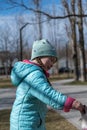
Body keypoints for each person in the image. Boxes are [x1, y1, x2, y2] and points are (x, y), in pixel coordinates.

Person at [10, 39, 85, 130]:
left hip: (32, 123)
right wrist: (73, 103)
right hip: (25, 125)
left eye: (54, 61)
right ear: (39, 56)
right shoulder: (34, 75)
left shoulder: (34, 72)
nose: (52, 64)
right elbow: (49, 95)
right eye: (51, 59)